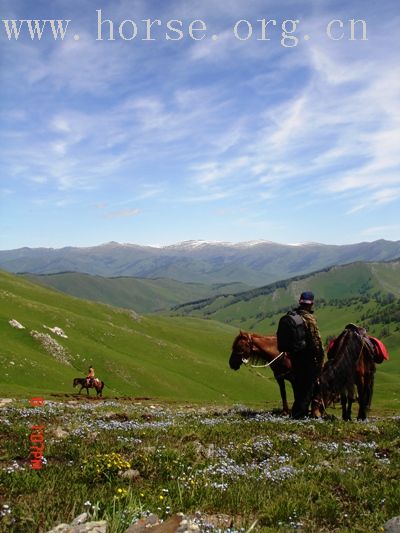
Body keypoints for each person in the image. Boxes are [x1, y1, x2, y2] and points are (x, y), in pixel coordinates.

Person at [290, 291, 324, 419]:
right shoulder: (309, 319)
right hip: (308, 359)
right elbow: (316, 341)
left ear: (300, 302)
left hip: (294, 357)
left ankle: (298, 413)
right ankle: (299, 416)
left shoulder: (293, 316)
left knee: (299, 386)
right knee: (309, 387)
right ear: (311, 304)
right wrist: (320, 358)